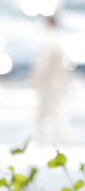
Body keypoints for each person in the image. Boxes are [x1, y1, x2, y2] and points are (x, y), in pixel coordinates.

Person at [32, 14, 71, 149]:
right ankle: (38, 140)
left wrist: (38, 79)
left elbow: (45, 63)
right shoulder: (55, 38)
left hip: (50, 84)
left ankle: (41, 141)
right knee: (49, 114)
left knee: (52, 114)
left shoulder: (50, 39)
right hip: (53, 84)